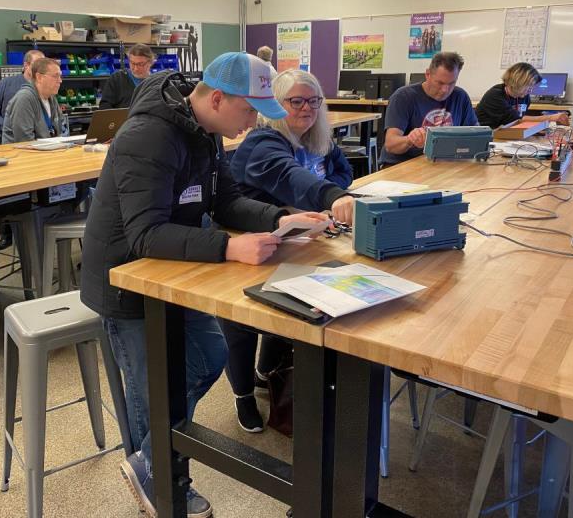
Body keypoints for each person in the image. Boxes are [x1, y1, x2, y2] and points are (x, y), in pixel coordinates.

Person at [79, 52, 327, 518]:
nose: (252, 123)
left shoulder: (208, 131)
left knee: (209, 356)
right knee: (154, 385)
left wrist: (279, 219)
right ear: (217, 99)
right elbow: (146, 234)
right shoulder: (148, 136)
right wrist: (229, 247)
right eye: (249, 111)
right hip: (125, 278)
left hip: (174, 271)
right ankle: (161, 481)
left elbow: (226, 200)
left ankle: (151, 459)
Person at [226, 69, 354, 432]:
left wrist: (324, 191)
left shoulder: (316, 137)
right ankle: (242, 395)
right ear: (275, 106)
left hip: (293, 239)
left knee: (288, 306)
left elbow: (343, 171)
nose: (306, 108)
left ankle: (266, 373)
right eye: (295, 101)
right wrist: (329, 195)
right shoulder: (263, 142)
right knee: (241, 322)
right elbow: (289, 177)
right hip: (246, 242)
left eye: (313, 101)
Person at [380, 51, 478, 167]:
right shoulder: (403, 97)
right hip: (402, 165)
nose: (445, 90)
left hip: (441, 163)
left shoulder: (460, 97)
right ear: (428, 74)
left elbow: (476, 135)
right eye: (440, 83)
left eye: (451, 83)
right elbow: (391, 144)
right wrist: (409, 140)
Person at [476, 62, 569, 129]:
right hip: (486, 134)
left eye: (532, 86)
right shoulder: (495, 95)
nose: (530, 90)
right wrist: (551, 117)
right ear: (517, 82)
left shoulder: (524, 96)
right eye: (529, 86)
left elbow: (518, 122)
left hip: (506, 132)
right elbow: (517, 120)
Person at [2, 57, 68, 142]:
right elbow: (24, 140)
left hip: (50, 147)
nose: (60, 81)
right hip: (23, 150)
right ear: (39, 77)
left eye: (60, 76)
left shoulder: (51, 98)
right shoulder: (24, 99)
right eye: (55, 76)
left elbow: (61, 129)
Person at [0, 49, 45, 142]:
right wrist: (5, 126)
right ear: (26, 65)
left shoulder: (45, 87)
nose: (40, 69)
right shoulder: (7, 83)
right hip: (8, 141)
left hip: (37, 141)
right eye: (37, 65)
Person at [98, 43, 155, 109]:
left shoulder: (156, 82)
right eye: (132, 63)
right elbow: (104, 106)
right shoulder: (117, 79)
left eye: (140, 64)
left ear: (150, 63)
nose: (135, 68)